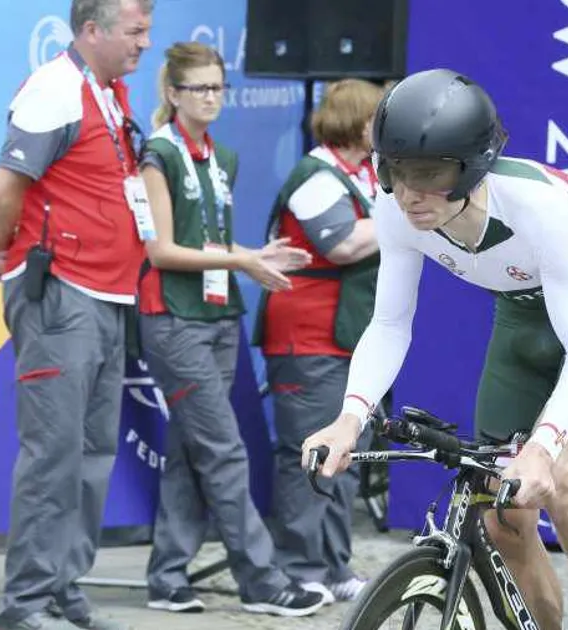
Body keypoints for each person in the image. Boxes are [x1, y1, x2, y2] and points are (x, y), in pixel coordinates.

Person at [301, 69, 568, 630]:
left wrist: (542, 445)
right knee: (502, 511)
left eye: (432, 175)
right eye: (395, 171)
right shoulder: (394, 204)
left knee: (560, 473)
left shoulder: (540, 207)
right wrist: (349, 419)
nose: (411, 194)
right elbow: (390, 322)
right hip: (520, 312)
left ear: (472, 168)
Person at [0, 1, 154, 628]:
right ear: (90, 30)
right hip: (61, 295)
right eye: (134, 32)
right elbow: (2, 192)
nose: (144, 44)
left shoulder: (111, 94)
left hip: (109, 295)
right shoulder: (55, 88)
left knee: (92, 455)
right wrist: (5, 256)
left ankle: (60, 585)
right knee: (53, 454)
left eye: (147, 32)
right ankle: (24, 602)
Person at [135, 41, 323, 618]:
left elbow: (206, 243)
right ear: (173, 93)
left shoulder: (222, 158)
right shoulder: (157, 154)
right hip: (173, 318)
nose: (213, 97)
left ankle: (167, 577)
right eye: (200, 88)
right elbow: (163, 251)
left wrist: (254, 254)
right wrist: (240, 262)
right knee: (223, 449)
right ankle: (262, 580)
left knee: (194, 451)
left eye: (219, 86)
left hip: (218, 317)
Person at [251, 78, 385, 604]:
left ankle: (333, 566)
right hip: (308, 336)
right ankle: (297, 567)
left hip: (348, 336)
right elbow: (345, 243)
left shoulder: (363, 176)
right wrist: (405, 215)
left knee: (348, 455)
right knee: (309, 452)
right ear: (357, 122)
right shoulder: (315, 176)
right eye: (380, 119)